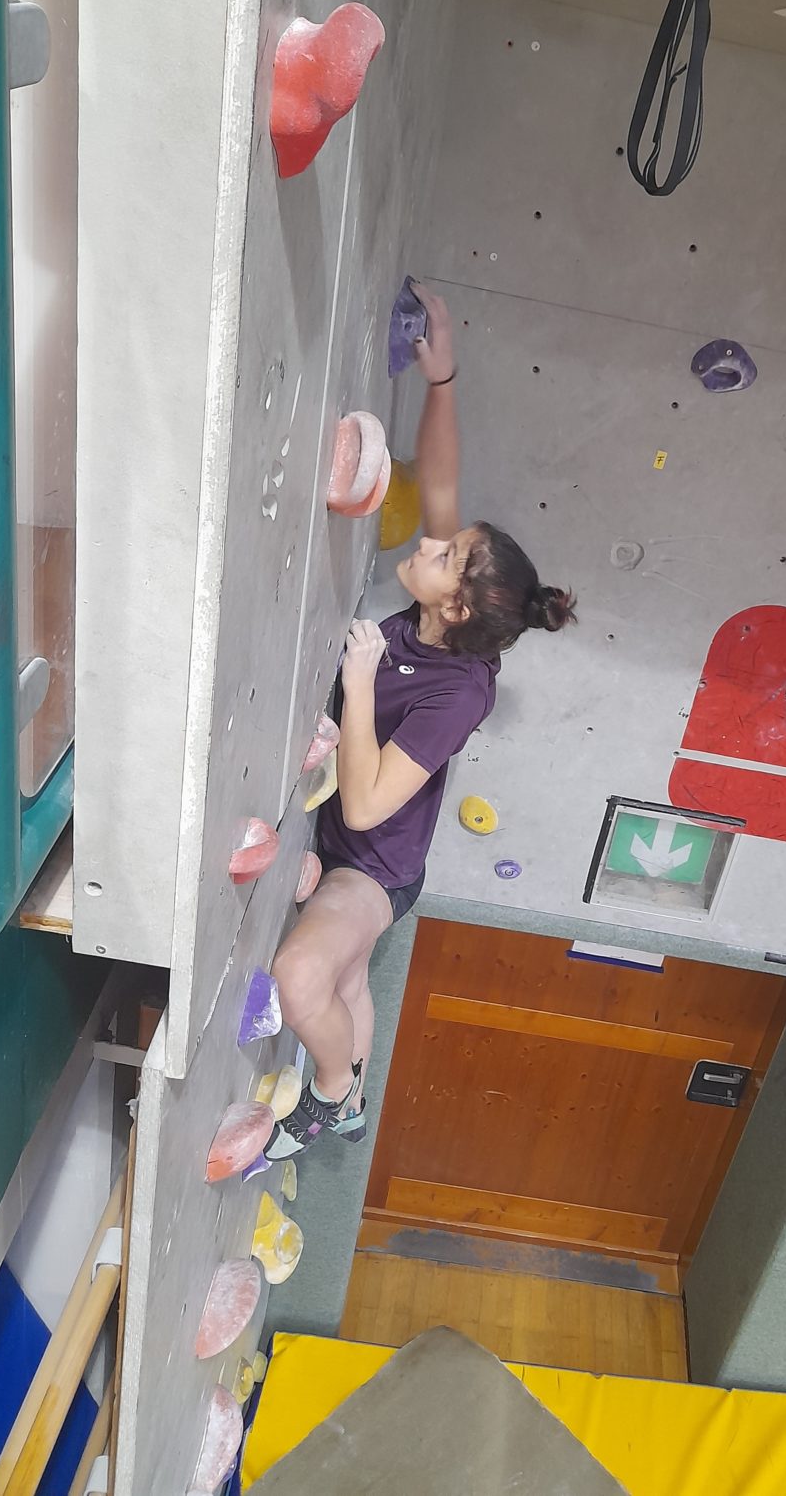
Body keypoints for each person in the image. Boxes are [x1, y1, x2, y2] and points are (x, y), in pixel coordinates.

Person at [266, 284, 576, 1158]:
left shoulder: (461, 691)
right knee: (345, 981)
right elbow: (439, 481)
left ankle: (332, 1093)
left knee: (302, 972)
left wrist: (359, 682)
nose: (432, 540)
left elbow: (367, 806)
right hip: (351, 838)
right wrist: (442, 378)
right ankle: (355, 1094)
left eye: (448, 552)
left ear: (458, 607)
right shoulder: (443, 614)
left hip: (373, 865)